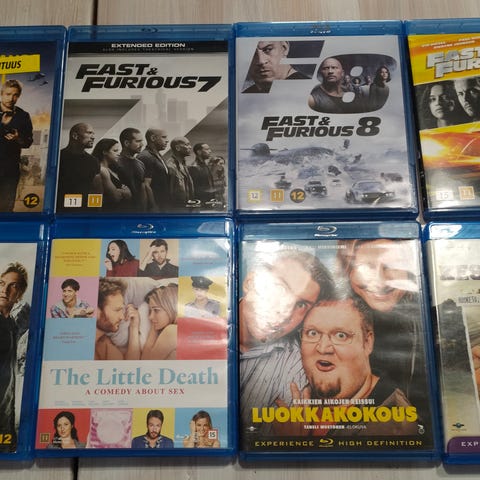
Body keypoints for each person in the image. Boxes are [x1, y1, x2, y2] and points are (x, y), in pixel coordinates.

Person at [281, 298, 418, 436]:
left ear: (367, 342)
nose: (323, 348)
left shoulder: (395, 423)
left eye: (341, 335)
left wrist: (297, 446)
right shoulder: (292, 394)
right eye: (312, 333)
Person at [239, 249, 335, 435]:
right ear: (251, 282)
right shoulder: (197, 326)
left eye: (301, 305)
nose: (285, 312)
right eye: (281, 290)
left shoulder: (297, 367)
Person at [336, 238, 428, 420]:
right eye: (365, 267)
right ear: (348, 272)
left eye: (393, 266)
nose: (380, 282)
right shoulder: (331, 320)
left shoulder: (429, 317)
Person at [0, 262, 28, 450]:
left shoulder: (12, 323)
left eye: (13, 286)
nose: (5, 290)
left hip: (6, 415)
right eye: (2, 283)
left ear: (19, 294)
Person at [0, 79, 33, 211]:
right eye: (8, 94)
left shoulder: (23, 116)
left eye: (15, 95)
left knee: (6, 208)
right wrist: (2, 125)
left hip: (10, 168)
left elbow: (28, 142)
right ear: (1, 94)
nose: (11, 98)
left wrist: (18, 138)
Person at [56, 122, 100, 212]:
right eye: (89, 133)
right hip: (61, 212)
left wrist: (95, 212)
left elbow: (96, 190)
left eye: (93, 134)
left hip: (85, 213)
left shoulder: (93, 161)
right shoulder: (58, 158)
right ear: (75, 136)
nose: (93, 137)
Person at [95, 277, 141, 361]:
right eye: (117, 310)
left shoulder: (104, 343)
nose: (122, 317)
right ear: (97, 311)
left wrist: (134, 327)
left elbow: (130, 365)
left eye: (121, 310)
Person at [243, 41, 308, 93]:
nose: (261, 61)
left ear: (285, 48)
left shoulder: (306, 90)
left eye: (268, 49)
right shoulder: (247, 94)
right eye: (251, 52)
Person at [91, 138, 132, 211]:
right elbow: (116, 197)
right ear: (104, 152)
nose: (119, 153)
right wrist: (124, 191)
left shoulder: (112, 168)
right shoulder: (102, 170)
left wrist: (120, 191)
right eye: (115, 151)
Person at [137, 128, 172, 212]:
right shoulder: (146, 156)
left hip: (163, 204)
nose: (167, 140)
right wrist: (153, 206)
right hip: (155, 207)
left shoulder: (157, 155)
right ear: (153, 138)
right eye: (164, 137)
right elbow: (145, 185)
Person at [140, 284, 178, 360]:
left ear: (171, 307)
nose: (150, 317)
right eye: (150, 311)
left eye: (156, 310)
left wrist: (153, 330)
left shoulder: (172, 330)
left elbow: (146, 362)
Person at [116, 127, 150, 212]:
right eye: (138, 141)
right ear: (127, 143)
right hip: (121, 211)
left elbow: (142, 189)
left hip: (138, 211)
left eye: (141, 141)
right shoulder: (115, 163)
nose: (142, 144)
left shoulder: (140, 163)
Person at [166, 136, 196, 211]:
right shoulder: (171, 166)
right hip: (177, 209)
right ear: (177, 148)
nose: (190, 147)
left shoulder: (183, 164)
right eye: (187, 144)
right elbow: (170, 192)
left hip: (186, 207)